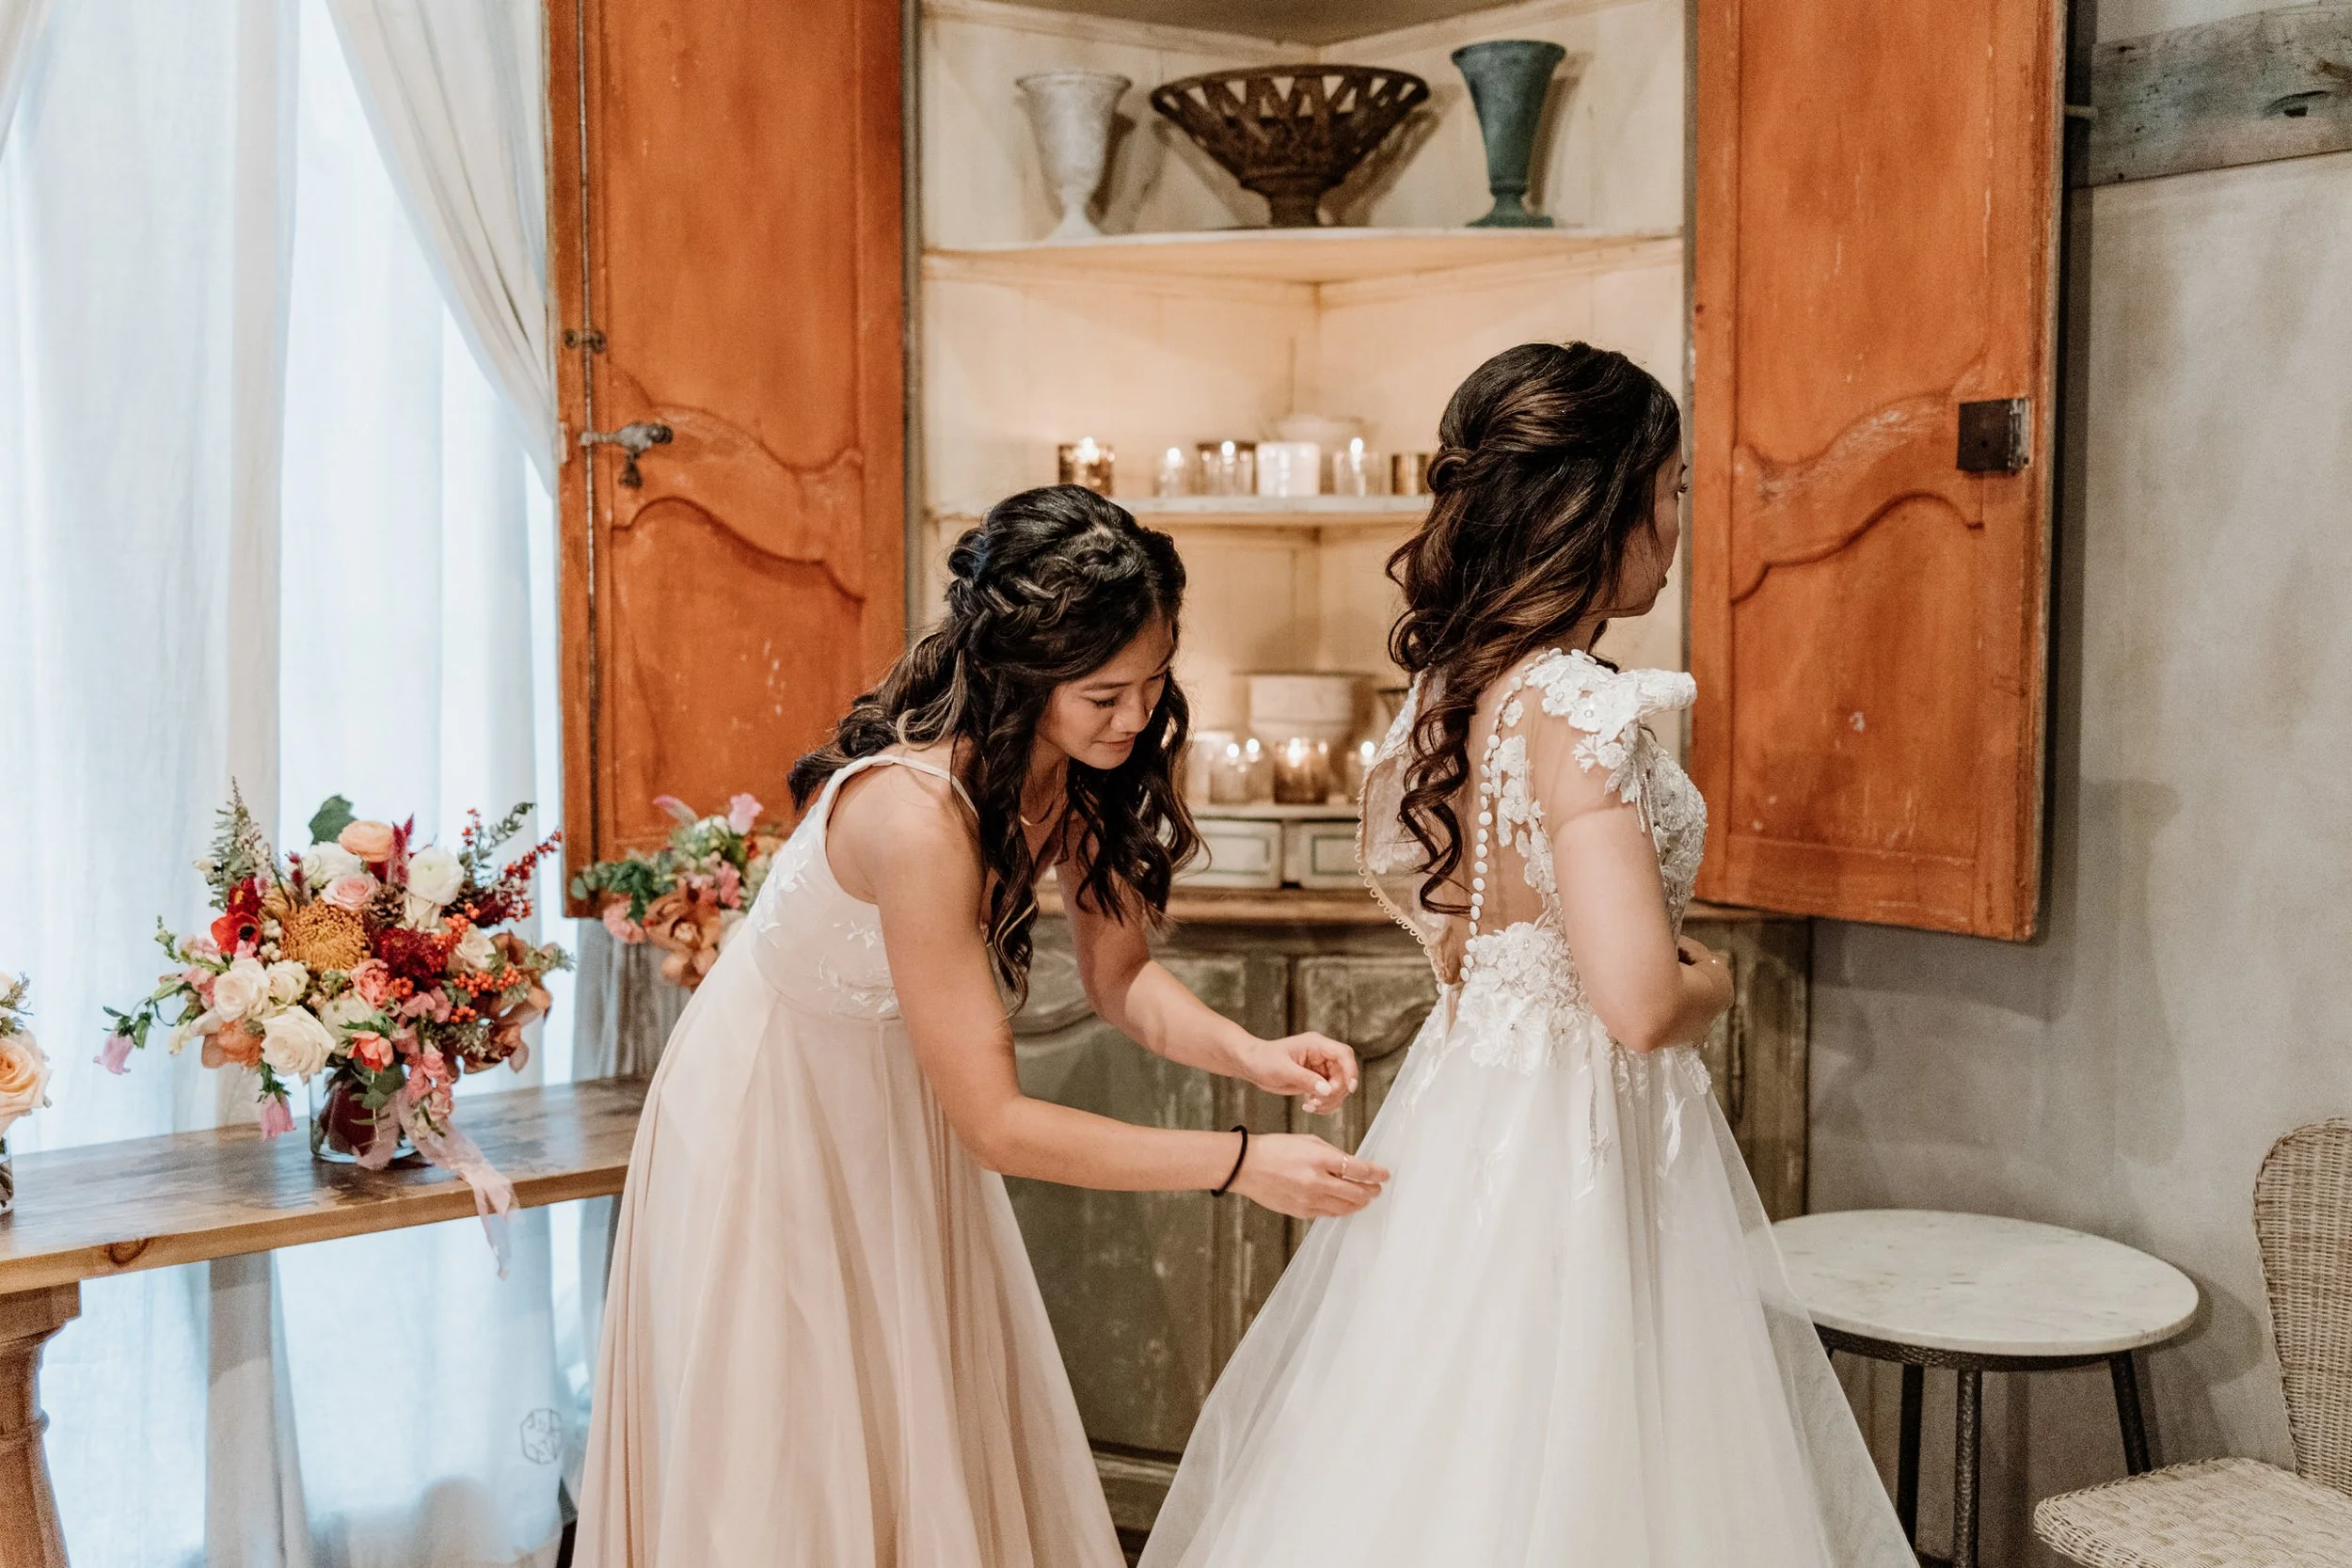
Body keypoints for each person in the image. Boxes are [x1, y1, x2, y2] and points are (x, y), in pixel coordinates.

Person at [1139, 343, 1915, 1568]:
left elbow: (1452, 914)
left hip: (1475, 1108)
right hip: (1578, 1129)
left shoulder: (1472, 682)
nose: (1679, 521)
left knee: (1448, 1437)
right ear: (1598, 504)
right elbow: (1641, 1002)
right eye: (1669, 488)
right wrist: (1709, 977)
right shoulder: (1578, 703)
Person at [577, 485, 1389, 1567]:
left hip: (902, 1098)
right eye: (1103, 692)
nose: (1136, 715)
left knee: (919, 1420)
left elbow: (1120, 977)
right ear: (1021, 671)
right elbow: (998, 1125)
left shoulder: (1084, 772)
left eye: (1154, 680)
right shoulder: (913, 815)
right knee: (796, 1447)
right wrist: (1241, 1163)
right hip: (768, 1117)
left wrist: (1252, 1054)